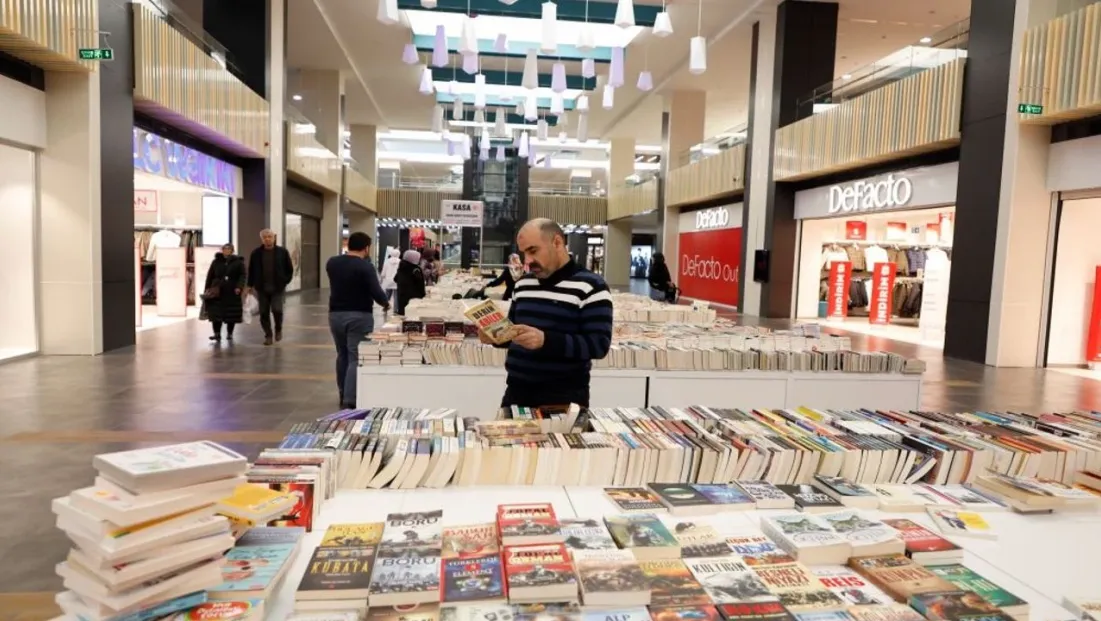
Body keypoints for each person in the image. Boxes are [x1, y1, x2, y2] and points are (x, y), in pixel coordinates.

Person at [483, 218, 613, 407]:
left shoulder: (592, 286)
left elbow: (598, 345)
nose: (527, 261)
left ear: (557, 242)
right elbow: (514, 334)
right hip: (515, 393)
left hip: (564, 398)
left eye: (533, 251)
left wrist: (546, 340)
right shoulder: (523, 285)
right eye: (523, 253)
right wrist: (494, 336)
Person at [326, 232, 390, 408]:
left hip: (336, 315)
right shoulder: (365, 267)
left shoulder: (332, 263)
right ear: (366, 247)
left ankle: (341, 392)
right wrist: (385, 303)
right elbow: (375, 290)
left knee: (342, 354)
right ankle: (350, 398)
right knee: (356, 356)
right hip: (359, 315)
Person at [246, 229, 294, 345]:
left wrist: (284, 281)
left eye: (269, 236)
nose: (267, 239)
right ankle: (268, 335)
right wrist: (250, 285)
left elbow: (289, 269)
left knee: (277, 310)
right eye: (265, 237)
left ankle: (278, 328)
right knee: (263, 312)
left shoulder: (282, 252)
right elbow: (251, 270)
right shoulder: (256, 253)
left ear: (274, 238)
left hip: (277, 287)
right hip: (262, 288)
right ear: (262, 239)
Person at [202, 243, 246, 342]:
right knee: (215, 313)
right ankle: (216, 333)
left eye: (229, 249)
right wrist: (207, 288)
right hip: (217, 291)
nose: (226, 250)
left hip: (232, 290)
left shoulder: (238, 262)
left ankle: (230, 333)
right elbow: (210, 275)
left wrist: (239, 287)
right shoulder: (216, 262)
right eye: (225, 249)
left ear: (232, 250)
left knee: (231, 314)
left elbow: (242, 276)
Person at [394, 249, 426, 315]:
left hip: (402, 297)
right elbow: (420, 284)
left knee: (403, 316)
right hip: (414, 298)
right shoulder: (416, 269)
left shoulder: (401, 267)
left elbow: (395, 279)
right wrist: (423, 295)